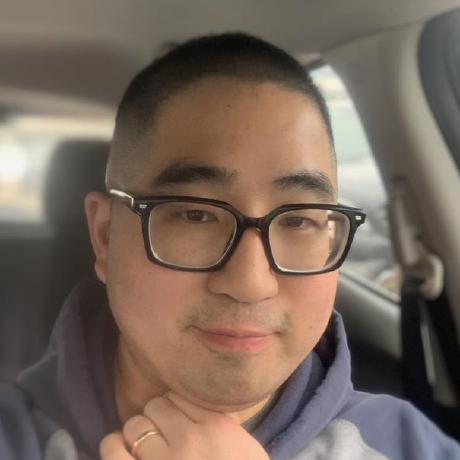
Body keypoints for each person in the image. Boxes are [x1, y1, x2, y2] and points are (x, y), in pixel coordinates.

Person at [0, 33, 459, 460]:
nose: (250, 283)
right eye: (195, 215)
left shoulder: (411, 445)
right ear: (104, 236)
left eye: (298, 219)